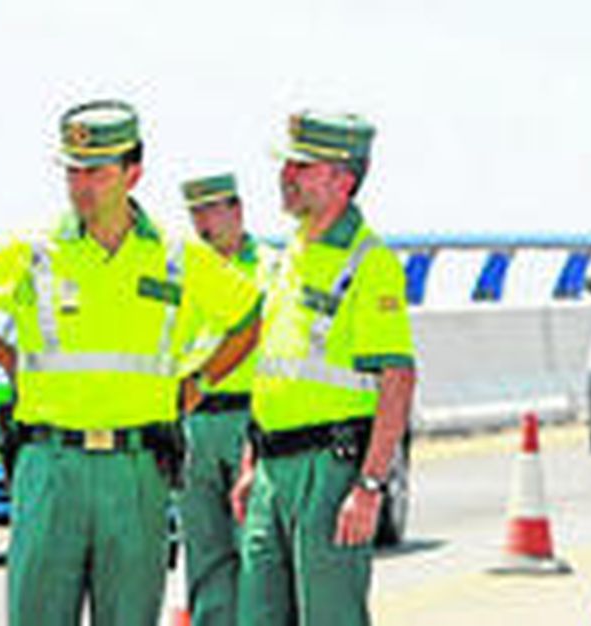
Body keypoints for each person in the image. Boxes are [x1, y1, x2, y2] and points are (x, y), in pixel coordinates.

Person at [0, 99, 262, 625]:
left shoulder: (175, 256)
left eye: (96, 172)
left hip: (137, 469)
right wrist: (6, 357)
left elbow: (251, 315)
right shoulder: (36, 251)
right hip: (51, 466)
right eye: (72, 171)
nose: (81, 185)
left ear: (133, 174)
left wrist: (203, 381)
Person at [232, 111, 416, 626]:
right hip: (272, 469)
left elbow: (397, 380)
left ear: (343, 180)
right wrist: (251, 466)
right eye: (288, 163)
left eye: (303, 165)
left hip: (329, 472)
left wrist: (370, 487)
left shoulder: (369, 262)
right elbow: (275, 367)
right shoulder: (287, 252)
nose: (286, 175)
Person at [176, 171, 271, 625]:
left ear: (237, 210)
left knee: (255, 549)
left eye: (212, 211)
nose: (204, 224)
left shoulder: (272, 268)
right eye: (196, 213)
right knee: (205, 552)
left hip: (248, 420)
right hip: (195, 423)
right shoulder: (184, 272)